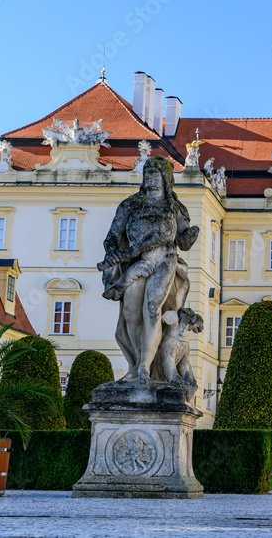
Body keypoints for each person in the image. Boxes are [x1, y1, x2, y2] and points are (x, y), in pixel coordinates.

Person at [99, 155, 199, 385]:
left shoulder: (174, 207)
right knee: (131, 315)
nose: (152, 178)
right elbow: (112, 237)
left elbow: (182, 242)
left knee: (152, 308)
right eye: (148, 174)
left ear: (166, 178)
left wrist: (190, 235)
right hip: (137, 262)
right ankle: (136, 365)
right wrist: (112, 251)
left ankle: (145, 366)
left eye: (156, 174)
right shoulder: (130, 205)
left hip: (165, 260)